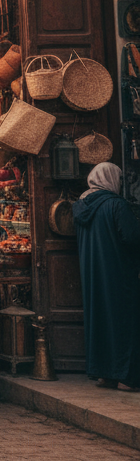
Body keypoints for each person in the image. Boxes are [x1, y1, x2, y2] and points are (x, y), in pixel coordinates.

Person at [73, 162, 140, 390]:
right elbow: (132, 237)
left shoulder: (81, 206)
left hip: (92, 275)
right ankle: (126, 378)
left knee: (99, 320)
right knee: (124, 322)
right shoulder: (115, 205)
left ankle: (104, 373)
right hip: (117, 273)